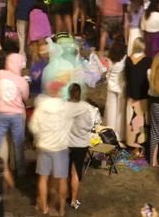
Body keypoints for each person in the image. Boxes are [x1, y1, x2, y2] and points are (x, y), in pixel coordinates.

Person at [31, 84, 74, 217]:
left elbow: (33, 127)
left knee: (43, 178)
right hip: (60, 147)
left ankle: (44, 207)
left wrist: (38, 138)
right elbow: (71, 125)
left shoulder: (41, 106)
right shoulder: (66, 107)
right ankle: (61, 209)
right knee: (62, 179)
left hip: (44, 146)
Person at [66, 82, 99, 211]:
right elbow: (90, 125)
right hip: (80, 145)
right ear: (79, 93)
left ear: (69, 93)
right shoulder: (85, 107)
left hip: (66, 143)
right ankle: (74, 201)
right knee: (75, 172)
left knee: (64, 171)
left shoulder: (64, 106)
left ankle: (62, 196)